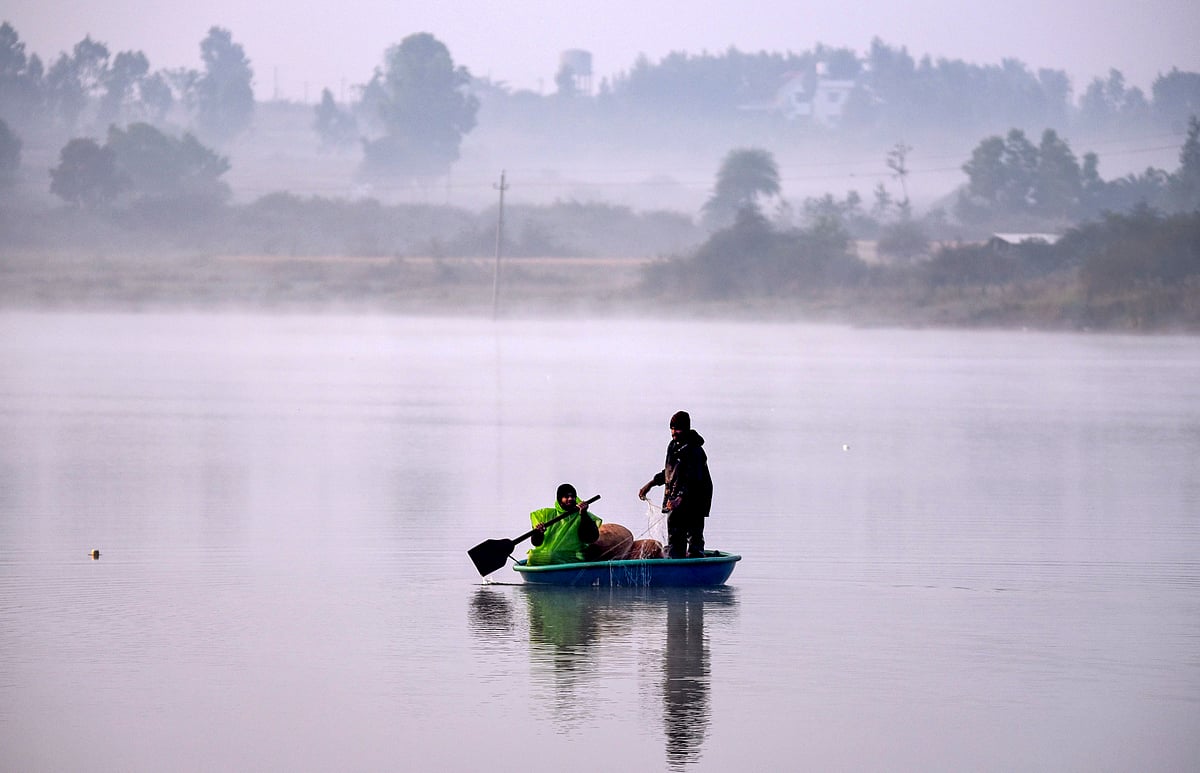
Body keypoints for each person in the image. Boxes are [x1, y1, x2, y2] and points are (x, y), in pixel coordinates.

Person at [638, 411, 713, 558]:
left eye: (677, 428)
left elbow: (694, 478)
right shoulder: (673, 446)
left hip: (694, 501)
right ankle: (675, 563)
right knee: (675, 538)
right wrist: (651, 484)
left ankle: (695, 560)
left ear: (686, 428)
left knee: (694, 536)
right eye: (671, 428)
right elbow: (669, 472)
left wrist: (680, 497)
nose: (674, 432)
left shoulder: (695, 450)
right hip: (674, 500)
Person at [527, 483, 602, 566]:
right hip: (547, 554)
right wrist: (539, 533)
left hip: (574, 555)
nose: (570, 499)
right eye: (566, 497)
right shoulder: (546, 514)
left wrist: (583, 515)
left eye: (573, 496)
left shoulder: (583, 514)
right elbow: (536, 543)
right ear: (559, 499)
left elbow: (590, 538)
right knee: (532, 557)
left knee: (553, 557)